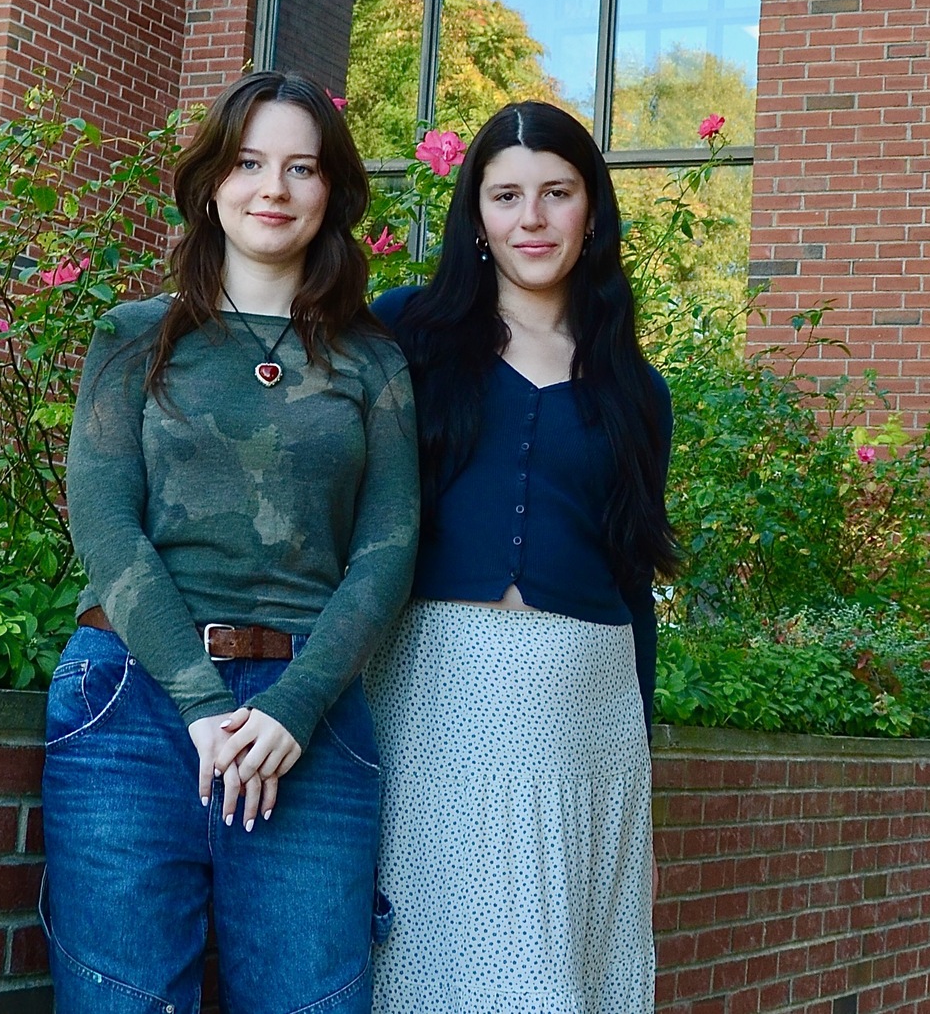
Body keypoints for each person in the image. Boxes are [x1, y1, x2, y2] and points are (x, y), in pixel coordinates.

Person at [41, 71, 419, 1014]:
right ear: (213, 181)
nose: (272, 189)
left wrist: (289, 708)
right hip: (132, 702)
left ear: (330, 191)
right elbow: (103, 519)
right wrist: (203, 703)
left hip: (311, 720)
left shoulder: (372, 362)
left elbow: (388, 550)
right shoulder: (133, 337)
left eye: (300, 167)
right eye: (249, 162)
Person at [368, 100, 678, 1013]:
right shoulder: (408, 335)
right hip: (436, 694)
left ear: (592, 210)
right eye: (506, 195)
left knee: (547, 978)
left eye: (557, 193)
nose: (531, 219)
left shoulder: (637, 386)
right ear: (477, 215)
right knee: (432, 957)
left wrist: (645, 806)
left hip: (586, 711)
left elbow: (634, 579)